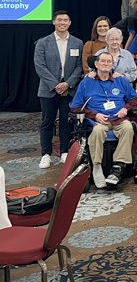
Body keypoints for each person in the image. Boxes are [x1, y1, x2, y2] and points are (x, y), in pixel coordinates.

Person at [70, 52, 137, 188]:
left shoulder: (120, 81)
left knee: (128, 127)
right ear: (96, 64)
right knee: (97, 131)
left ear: (113, 65)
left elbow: (135, 99)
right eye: (103, 61)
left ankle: (118, 167)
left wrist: (125, 108)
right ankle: (96, 167)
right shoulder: (86, 83)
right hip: (97, 121)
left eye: (109, 62)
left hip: (118, 119)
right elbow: (76, 106)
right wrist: (94, 115)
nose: (106, 64)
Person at [34, 11, 83, 169]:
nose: (62, 22)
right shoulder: (43, 42)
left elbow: (79, 67)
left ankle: (64, 152)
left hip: (69, 90)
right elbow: (40, 66)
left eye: (65, 20)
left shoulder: (78, 43)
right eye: (59, 20)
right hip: (48, 90)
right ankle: (46, 154)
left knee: (65, 122)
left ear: (70, 23)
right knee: (47, 122)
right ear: (54, 22)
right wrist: (56, 85)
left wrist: (67, 84)